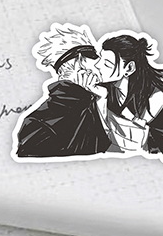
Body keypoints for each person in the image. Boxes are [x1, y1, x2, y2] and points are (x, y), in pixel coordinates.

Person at [15, 23, 111, 158]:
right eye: (96, 60)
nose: (101, 68)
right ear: (80, 62)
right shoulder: (85, 108)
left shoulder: (34, 121)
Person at [96, 33, 163, 162]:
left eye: (107, 64)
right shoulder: (105, 90)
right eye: (99, 59)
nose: (97, 66)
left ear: (129, 68)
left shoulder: (158, 103)